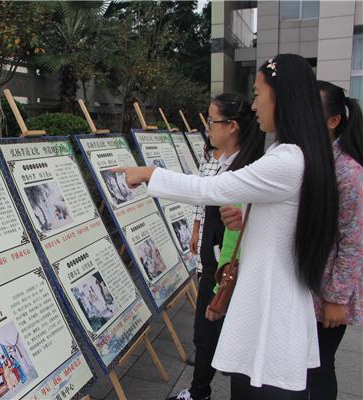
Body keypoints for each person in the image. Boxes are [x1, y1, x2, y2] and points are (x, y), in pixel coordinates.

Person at [115, 54, 339, 398]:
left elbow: (212, 188)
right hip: (271, 300)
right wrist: (248, 217)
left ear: (281, 96)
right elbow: (286, 219)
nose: (255, 105)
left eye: (258, 94)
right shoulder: (298, 154)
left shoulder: (288, 159)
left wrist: (149, 174)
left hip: (270, 308)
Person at [167, 93, 265, 400]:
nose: (208, 127)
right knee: (208, 334)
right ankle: (200, 389)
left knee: (210, 333)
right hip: (216, 265)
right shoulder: (225, 162)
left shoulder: (245, 171)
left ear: (232, 126)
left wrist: (150, 176)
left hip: (225, 270)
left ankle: (199, 393)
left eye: (212, 121)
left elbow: (233, 233)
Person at [306, 81, 363, 400]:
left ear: (333, 121)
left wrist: (337, 298)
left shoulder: (349, 172)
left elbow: (354, 241)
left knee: (319, 366)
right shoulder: (318, 159)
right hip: (310, 282)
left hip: (327, 291)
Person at [190, 138, 222, 275]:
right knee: (204, 270)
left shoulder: (240, 156)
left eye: (211, 126)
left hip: (224, 225)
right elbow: (199, 194)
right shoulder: (208, 155)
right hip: (205, 225)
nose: (209, 129)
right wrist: (195, 231)